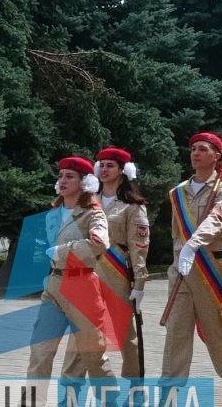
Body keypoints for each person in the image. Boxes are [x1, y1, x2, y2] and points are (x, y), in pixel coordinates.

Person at [165, 131, 222, 407]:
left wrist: (194, 244)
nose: (196, 153)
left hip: (212, 267)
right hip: (183, 270)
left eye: (203, 149)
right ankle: (171, 393)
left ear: (216, 156)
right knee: (176, 330)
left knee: (215, 330)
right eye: (193, 149)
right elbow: (176, 233)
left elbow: (218, 218)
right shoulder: (177, 192)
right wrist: (180, 255)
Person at [26, 156, 115, 381]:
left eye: (70, 176)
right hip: (54, 286)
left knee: (93, 357)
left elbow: (100, 242)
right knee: (40, 353)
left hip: (82, 286)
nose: (63, 180)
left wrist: (61, 251)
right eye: (61, 176)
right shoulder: (53, 213)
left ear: (84, 182)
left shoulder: (92, 212)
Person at [89, 147, 150, 378]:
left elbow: (139, 246)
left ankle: (133, 384)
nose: (104, 170)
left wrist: (139, 283)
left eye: (110, 165)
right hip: (88, 272)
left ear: (123, 171)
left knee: (125, 333)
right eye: (101, 165)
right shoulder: (88, 202)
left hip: (116, 272)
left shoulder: (132, 205)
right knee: (87, 331)